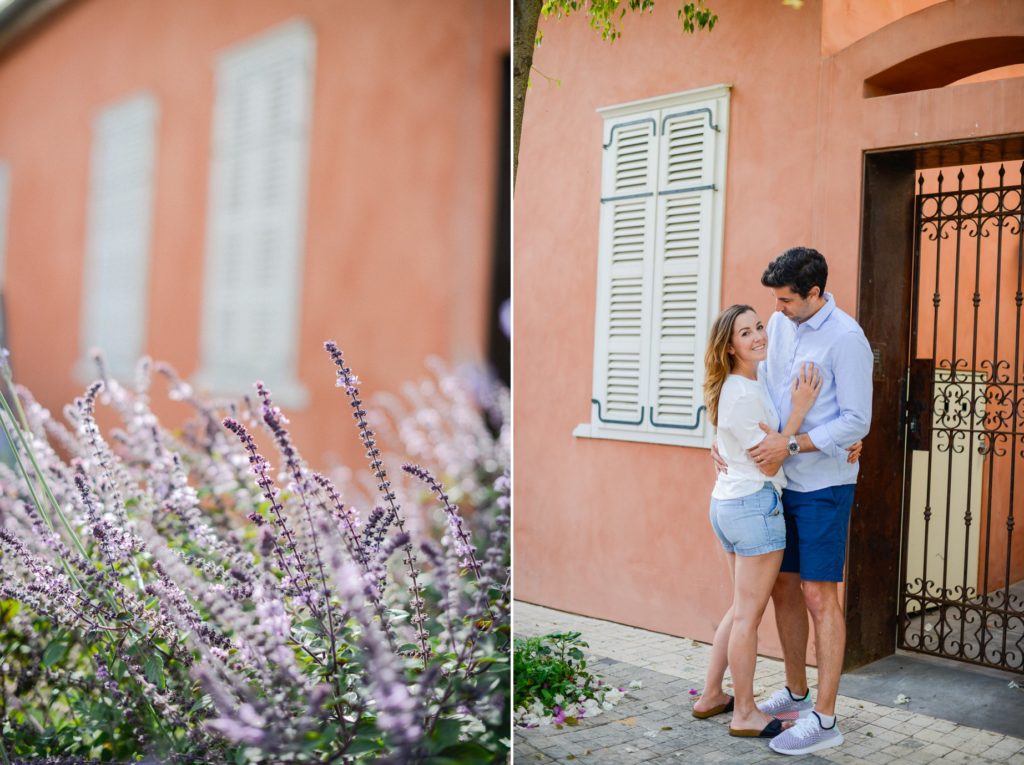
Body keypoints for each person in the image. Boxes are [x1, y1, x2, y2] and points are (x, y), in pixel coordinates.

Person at [744, 247, 873, 756]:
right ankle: (796, 693)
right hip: (779, 485)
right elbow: (764, 388)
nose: (776, 310)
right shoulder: (779, 327)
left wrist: (792, 443)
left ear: (815, 293)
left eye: (787, 300)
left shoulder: (847, 338)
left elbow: (856, 421)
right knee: (783, 588)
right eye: (775, 300)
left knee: (821, 596)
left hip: (824, 485)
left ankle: (824, 718)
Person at [691, 303, 822, 739]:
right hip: (752, 505)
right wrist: (801, 409)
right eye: (745, 333)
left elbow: (736, 435)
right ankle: (745, 712)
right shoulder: (742, 391)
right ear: (729, 346)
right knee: (748, 615)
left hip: (729, 504)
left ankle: (712, 694)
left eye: (760, 327)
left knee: (739, 608)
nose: (759, 336)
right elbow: (768, 464)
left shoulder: (746, 382)